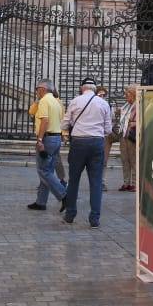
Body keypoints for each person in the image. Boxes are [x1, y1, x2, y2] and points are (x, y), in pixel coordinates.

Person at [61, 80, 112, 227]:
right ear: (95, 89)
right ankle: (94, 218)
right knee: (96, 182)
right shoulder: (103, 103)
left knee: (74, 179)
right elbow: (108, 130)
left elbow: (64, 124)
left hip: (78, 142)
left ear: (82, 88)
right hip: (96, 142)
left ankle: (70, 214)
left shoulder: (75, 101)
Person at [27, 81, 67, 212]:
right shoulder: (57, 101)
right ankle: (41, 202)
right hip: (56, 137)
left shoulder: (44, 101)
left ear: (43, 89)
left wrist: (39, 139)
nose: (36, 91)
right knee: (47, 170)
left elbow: (45, 120)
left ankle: (64, 195)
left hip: (47, 139)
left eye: (37, 88)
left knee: (44, 171)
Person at [117, 85, 137, 192]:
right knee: (124, 160)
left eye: (127, 94)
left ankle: (134, 183)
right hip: (123, 134)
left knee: (133, 160)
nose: (125, 96)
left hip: (132, 135)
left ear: (133, 94)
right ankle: (126, 182)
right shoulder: (126, 105)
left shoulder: (138, 105)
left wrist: (132, 123)